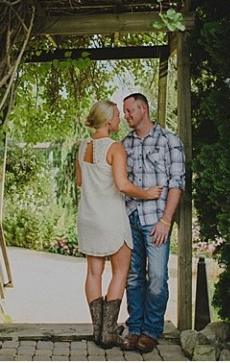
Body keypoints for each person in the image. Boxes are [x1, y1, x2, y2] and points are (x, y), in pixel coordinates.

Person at [76, 100, 163, 349]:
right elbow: (123, 185)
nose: (119, 119)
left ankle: (98, 331)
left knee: (93, 272)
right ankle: (109, 332)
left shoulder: (82, 147)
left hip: (87, 218)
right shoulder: (115, 148)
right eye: (116, 115)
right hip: (110, 218)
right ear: (107, 120)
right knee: (121, 271)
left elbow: (81, 181)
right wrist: (146, 193)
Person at [120, 92, 185, 354]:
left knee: (157, 277)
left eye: (129, 111)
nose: (126, 116)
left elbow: (177, 184)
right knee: (134, 277)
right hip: (131, 217)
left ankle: (151, 330)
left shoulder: (170, 142)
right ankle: (134, 328)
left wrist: (166, 221)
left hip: (156, 220)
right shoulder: (124, 144)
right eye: (124, 112)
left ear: (143, 108)